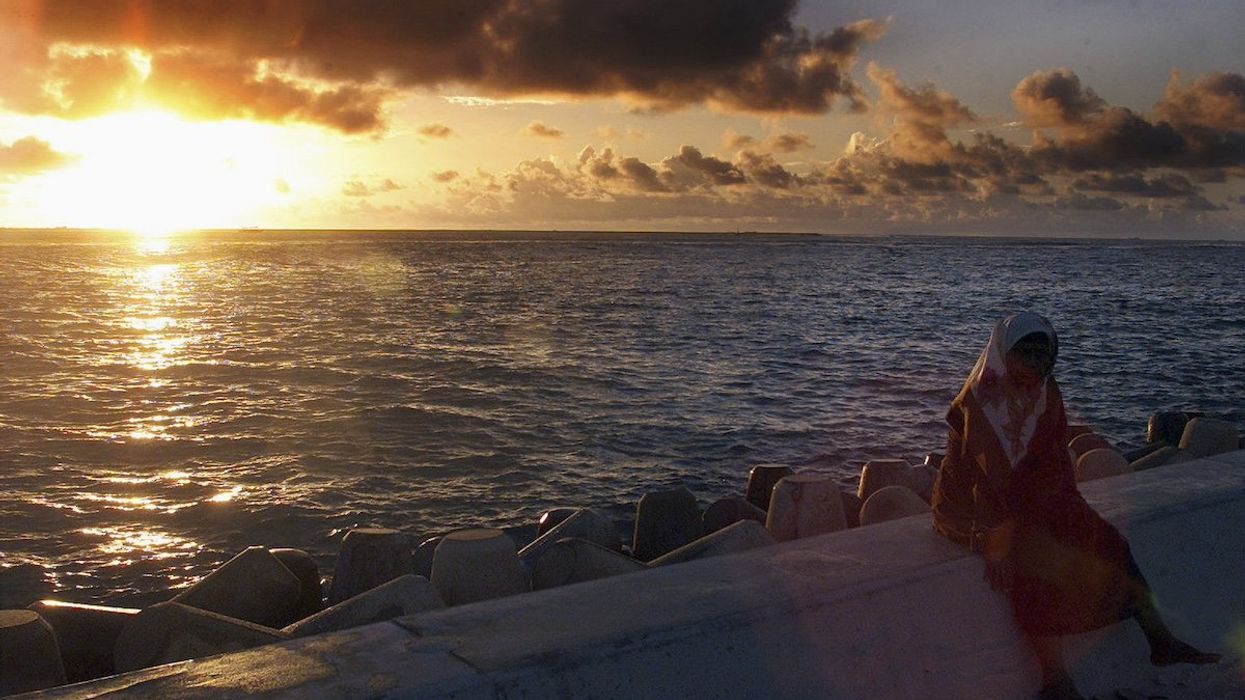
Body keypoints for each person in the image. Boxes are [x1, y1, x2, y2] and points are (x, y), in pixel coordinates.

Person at [930, 312, 1219, 700]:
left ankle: (1161, 642)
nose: (1033, 364)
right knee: (1034, 563)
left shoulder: (1048, 393)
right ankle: (1054, 679)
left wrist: (1069, 507)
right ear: (1003, 354)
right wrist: (993, 540)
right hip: (973, 506)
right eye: (1023, 354)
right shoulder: (982, 401)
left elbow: (1051, 460)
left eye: (1041, 355)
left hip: (1030, 495)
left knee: (1108, 541)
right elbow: (983, 481)